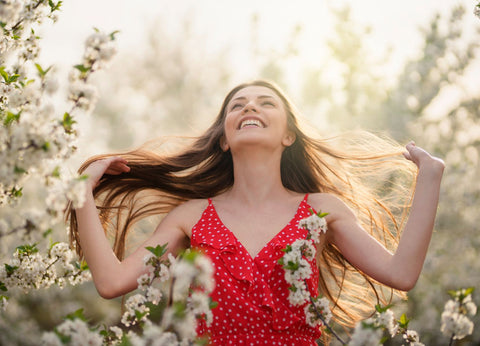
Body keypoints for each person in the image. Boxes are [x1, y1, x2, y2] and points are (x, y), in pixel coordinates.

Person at [68, 80, 445, 345]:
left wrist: (430, 177)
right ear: (224, 139)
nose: (250, 106)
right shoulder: (191, 216)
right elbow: (112, 283)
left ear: (288, 135)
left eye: (266, 102)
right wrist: (82, 192)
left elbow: (401, 273)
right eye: (238, 104)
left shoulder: (321, 211)